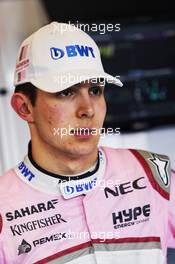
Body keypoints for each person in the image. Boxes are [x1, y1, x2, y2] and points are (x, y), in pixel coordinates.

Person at [0, 21, 174, 264]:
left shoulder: (152, 172)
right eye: (66, 92)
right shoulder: (3, 208)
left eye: (95, 90)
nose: (88, 110)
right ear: (25, 107)